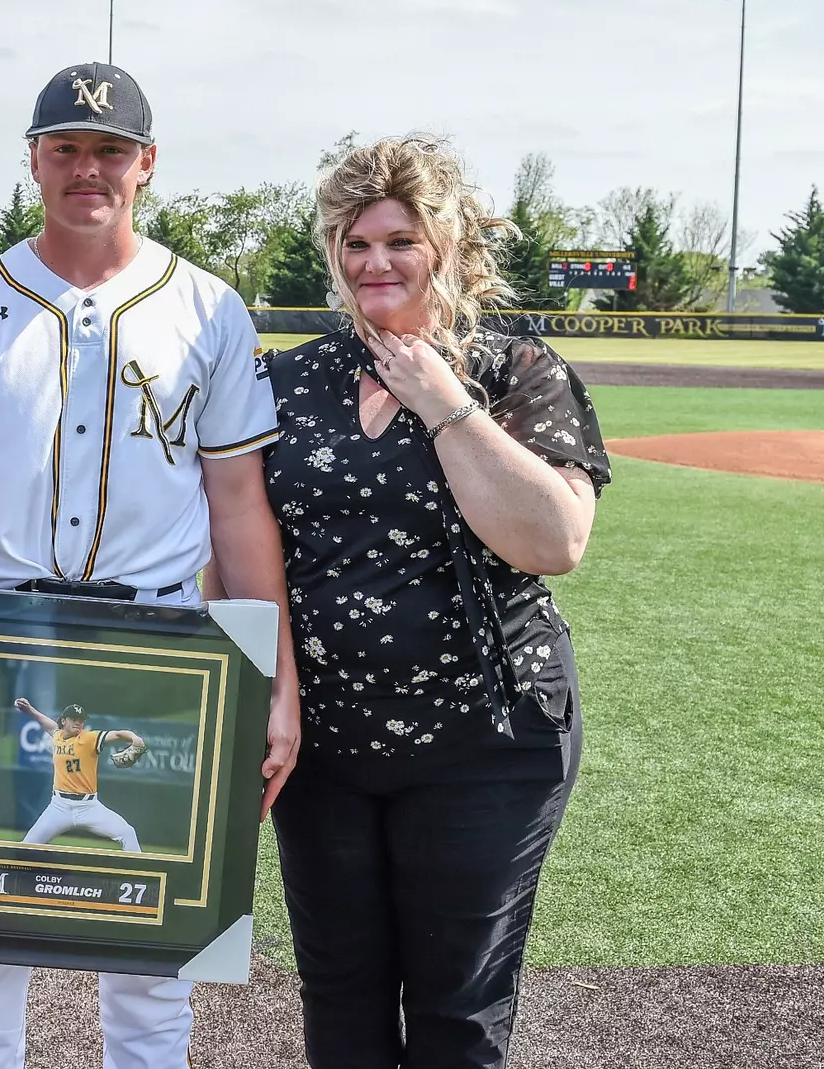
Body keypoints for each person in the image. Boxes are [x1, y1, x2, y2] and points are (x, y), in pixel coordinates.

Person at [0, 61, 302, 1069]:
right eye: (64, 147)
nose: (85, 168)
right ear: (33, 161)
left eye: (108, 149)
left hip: (160, 650)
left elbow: (237, 505)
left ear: (146, 164)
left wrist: (273, 678)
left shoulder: (209, 308)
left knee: (154, 961)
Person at [215, 135, 611, 1069]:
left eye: (400, 241)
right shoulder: (289, 378)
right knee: (340, 996)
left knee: (457, 1006)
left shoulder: (514, 371)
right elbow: (235, 544)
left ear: (447, 245)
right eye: (355, 244)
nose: (375, 263)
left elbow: (554, 542)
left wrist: (443, 401)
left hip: (486, 738)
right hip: (323, 743)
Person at [14, 699, 144, 851]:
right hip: (59, 806)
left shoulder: (89, 739)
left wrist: (135, 738)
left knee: (127, 832)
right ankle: (12, 875)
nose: (78, 722)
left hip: (88, 806)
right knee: (26, 846)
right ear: (63, 721)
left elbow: (116, 734)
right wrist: (30, 710)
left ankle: (140, 872)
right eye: (74, 719)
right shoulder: (57, 736)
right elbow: (46, 723)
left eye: (81, 720)